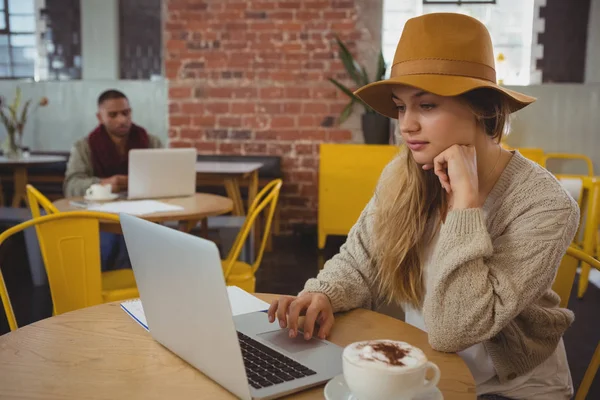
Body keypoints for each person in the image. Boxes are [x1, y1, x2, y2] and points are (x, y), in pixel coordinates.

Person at [267, 13, 579, 400]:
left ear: (484, 109)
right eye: (400, 107)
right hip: (426, 368)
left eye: (427, 106)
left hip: (513, 387)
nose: (406, 126)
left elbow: (454, 329)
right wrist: (324, 294)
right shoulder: (405, 173)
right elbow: (360, 258)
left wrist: (465, 205)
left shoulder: (545, 203)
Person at [64, 90, 163, 271]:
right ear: (99, 117)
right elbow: (71, 185)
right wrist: (106, 183)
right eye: (113, 115)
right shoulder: (84, 147)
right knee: (108, 245)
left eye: (126, 113)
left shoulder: (151, 142)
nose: (122, 120)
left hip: (144, 217)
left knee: (139, 243)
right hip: (100, 219)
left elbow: (165, 178)